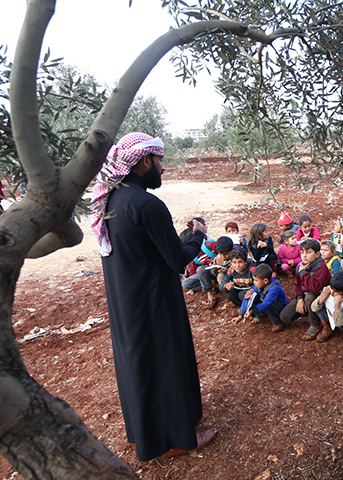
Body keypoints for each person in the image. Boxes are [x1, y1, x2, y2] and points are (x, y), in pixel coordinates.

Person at [90, 132, 215, 461]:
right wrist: (198, 235)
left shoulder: (114, 200)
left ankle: (146, 434)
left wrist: (183, 238)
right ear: (145, 161)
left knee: (141, 365)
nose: (163, 167)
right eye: (159, 160)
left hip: (126, 301)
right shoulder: (147, 204)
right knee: (165, 363)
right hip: (154, 301)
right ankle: (177, 440)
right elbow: (176, 259)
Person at [278, 238, 332, 340]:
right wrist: (299, 299)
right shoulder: (300, 266)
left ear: (317, 254)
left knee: (310, 296)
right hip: (306, 297)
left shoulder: (321, 267)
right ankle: (310, 311)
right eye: (302, 252)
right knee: (285, 316)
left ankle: (315, 324)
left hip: (322, 299)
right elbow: (297, 285)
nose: (304, 255)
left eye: (309, 252)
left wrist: (303, 273)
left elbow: (315, 288)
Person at [181, 236, 234, 308]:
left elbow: (229, 246)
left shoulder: (208, 246)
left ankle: (225, 294)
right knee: (187, 282)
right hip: (212, 273)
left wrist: (226, 269)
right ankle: (210, 291)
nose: (223, 256)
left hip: (225, 276)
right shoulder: (193, 256)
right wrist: (192, 289)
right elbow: (193, 270)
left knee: (220, 276)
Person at [311, 271, 343, 347]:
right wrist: (323, 297)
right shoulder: (329, 289)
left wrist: (337, 304)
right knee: (319, 307)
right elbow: (313, 308)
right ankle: (328, 327)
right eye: (332, 289)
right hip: (331, 315)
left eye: (337, 292)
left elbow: (339, 323)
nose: (333, 293)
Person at [236, 264, 289, 331]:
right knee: (247, 296)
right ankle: (262, 315)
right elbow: (251, 299)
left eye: (256, 280)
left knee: (269, 304)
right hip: (265, 303)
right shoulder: (258, 286)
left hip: (279, 307)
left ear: (265, 281)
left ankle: (278, 322)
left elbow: (266, 303)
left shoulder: (274, 288)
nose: (254, 283)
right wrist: (241, 314)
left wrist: (252, 311)